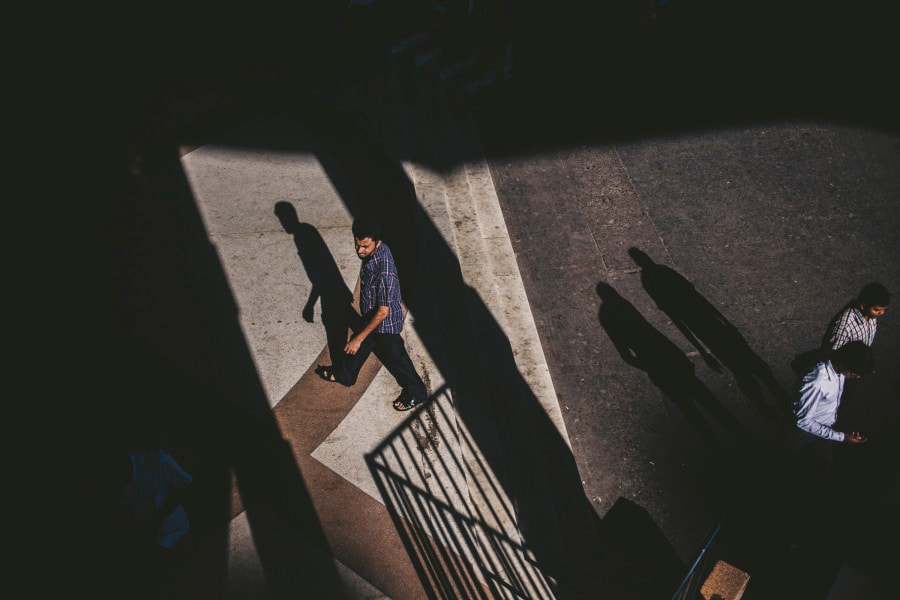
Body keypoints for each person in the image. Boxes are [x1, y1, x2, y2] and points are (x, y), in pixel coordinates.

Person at [317, 215, 428, 411]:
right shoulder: (375, 252)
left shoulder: (384, 272)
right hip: (371, 315)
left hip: (383, 324)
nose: (359, 250)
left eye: (365, 247)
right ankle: (345, 375)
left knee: (395, 358)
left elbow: (383, 312)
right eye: (357, 245)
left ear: (378, 243)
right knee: (357, 347)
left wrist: (358, 338)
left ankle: (417, 393)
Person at [788, 341, 873, 470]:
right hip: (804, 434)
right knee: (786, 461)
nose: (855, 377)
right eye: (854, 374)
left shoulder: (835, 361)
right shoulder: (817, 381)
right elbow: (803, 421)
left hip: (824, 429)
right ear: (845, 365)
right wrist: (842, 437)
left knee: (823, 465)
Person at [822, 282, 890, 350]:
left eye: (883, 309)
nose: (882, 313)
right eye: (877, 310)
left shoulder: (870, 314)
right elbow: (833, 354)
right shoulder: (845, 327)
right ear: (863, 306)